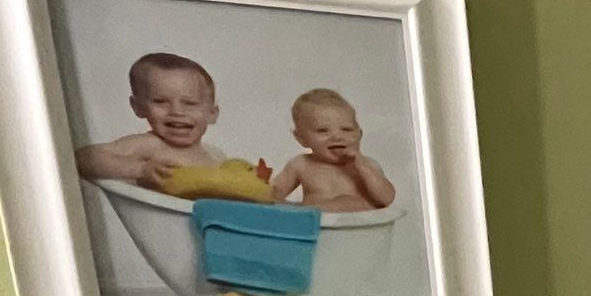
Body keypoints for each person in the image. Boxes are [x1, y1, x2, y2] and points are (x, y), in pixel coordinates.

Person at [75, 52, 246, 186]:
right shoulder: (148, 145)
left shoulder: (215, 155)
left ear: (212, 113)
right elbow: (83, 158)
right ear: (138, 107)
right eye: (160, 102)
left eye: (190, 103)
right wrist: (140, 169)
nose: (177, 111)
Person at [268, 88, 396, 213]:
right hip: (321, 231)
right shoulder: (301, 165)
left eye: (347, 129)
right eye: (323, 130)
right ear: (301, 138)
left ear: (359, 134)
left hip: (365, 230)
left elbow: (387, 199)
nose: (337, 136)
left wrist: (364, 168)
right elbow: (272, 196)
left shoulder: (368, 165)